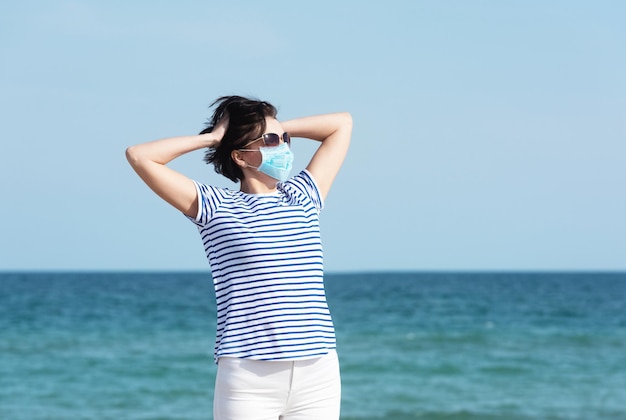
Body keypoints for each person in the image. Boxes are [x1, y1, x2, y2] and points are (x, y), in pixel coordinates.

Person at [125, 95, 352, 420]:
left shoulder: (303, 197)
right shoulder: (215, 206)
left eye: (285, 140)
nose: (284, 147)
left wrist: (273, 127)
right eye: (271, 140)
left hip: (318, 370)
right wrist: (215, 138)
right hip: (249, 376)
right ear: (240, 155)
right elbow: (140, 156)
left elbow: (341, 123)